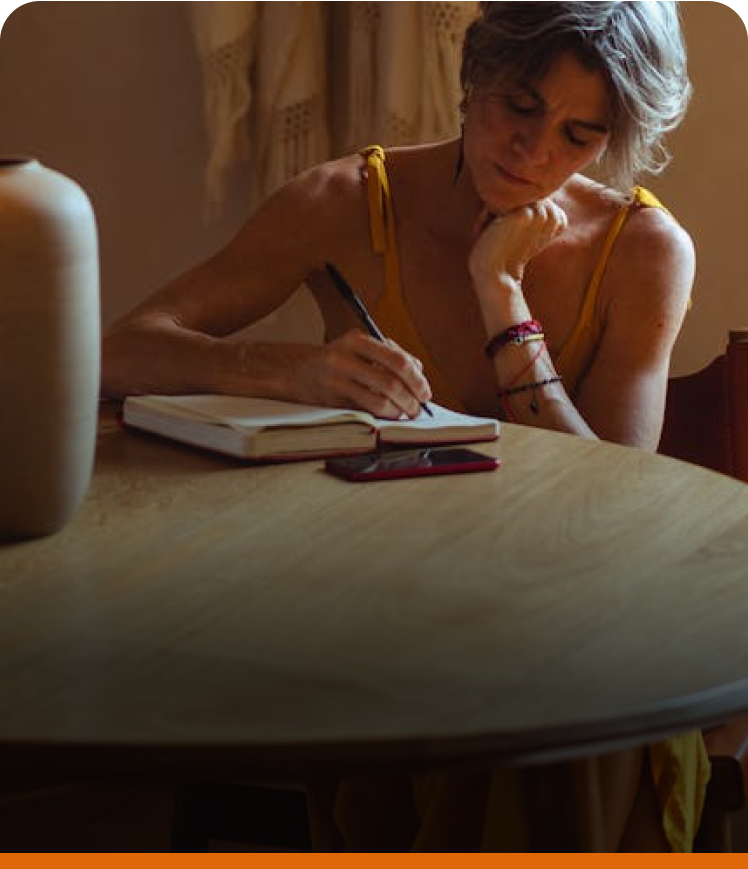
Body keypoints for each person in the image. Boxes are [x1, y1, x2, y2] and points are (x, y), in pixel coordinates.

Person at [103, 0, 707, 852]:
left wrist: (503, 296)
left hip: (573, 610)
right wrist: (292, 371)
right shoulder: (349, 201)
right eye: (521, 106)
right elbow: (116, 353)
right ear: (473, 77)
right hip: (381, 601)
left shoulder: (644, 249)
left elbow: (606, 502)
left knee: (558, 683)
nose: (534, 153)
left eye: (579, 135)